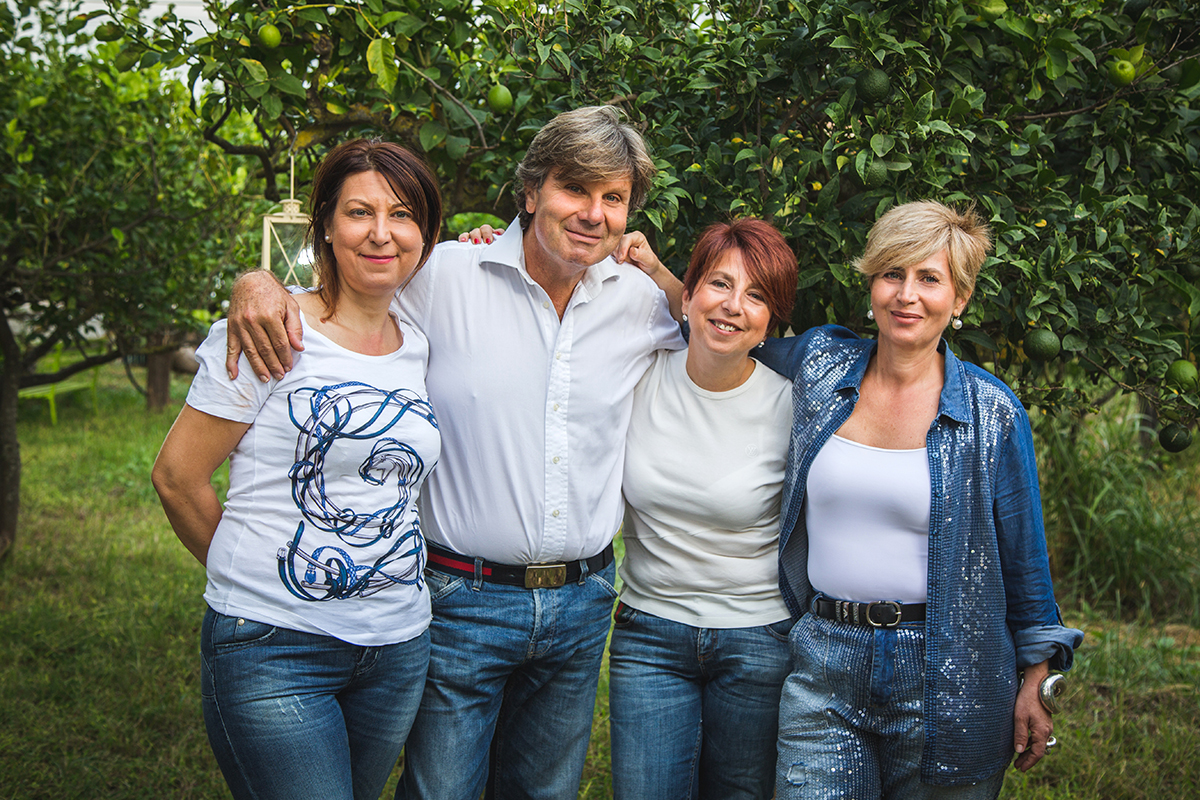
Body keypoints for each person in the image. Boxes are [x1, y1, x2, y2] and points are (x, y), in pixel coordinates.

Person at [223, 106, 685, 800]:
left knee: (545, 792)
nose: (593, 213)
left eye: (612, 198)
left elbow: (727, 328)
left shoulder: (640, 300)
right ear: (530, 193)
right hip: (460, 596)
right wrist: (254, 285)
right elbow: (338, 289)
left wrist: (662, 269)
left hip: (583, 600)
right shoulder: (441, 276)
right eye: (574, 190)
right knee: (442, 789)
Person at [752, 200, 1084, 799]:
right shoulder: (823, 367)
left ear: (959, 300)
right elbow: (728, 327)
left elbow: (1024, 557)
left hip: (948, 668)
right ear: (872, 284)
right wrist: (655, 270)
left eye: (929, 278)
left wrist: (1037, 677)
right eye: (892, 274)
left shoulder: (992, 413)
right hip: (825, 659)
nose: (907, 294)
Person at [151, 139, 444, 800]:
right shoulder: (269, 329)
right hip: (275, 648)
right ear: (325, 228)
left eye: (401, 215)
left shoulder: (421, 344)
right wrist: (251, 583)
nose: (380, 233)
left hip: (398, 648)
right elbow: (177, 477)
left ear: (425, 234)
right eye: (358, 212)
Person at [609, 218, 797, 799]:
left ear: (772, 322)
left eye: (757, 294)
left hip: (757, 638)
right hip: (649, 632)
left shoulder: (795, 405)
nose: (734, 306)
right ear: (686, 296)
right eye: (720, 284)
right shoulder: (634, 375)